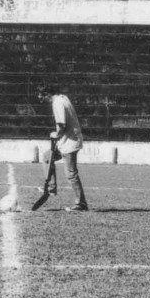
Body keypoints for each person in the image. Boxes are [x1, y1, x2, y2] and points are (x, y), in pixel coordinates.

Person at [39, 84, 89, 212]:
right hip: (66, 141)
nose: (41, 99)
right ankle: (51, 188)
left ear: (47, 95)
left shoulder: (57, 103)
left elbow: (62, 124)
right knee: (47, 157)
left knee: (71, 173)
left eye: (42, 96)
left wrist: (56, 134)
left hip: (70, 142)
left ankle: (81, 204)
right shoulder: (63, 98)